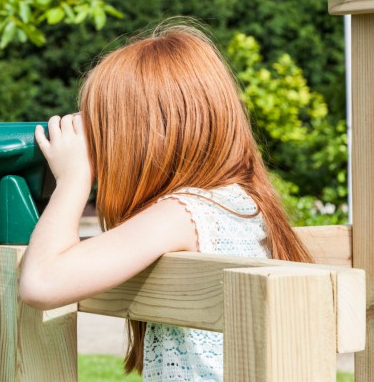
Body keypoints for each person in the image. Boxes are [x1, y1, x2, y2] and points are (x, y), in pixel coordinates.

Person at [19, 22, 314, 382]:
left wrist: (73, 179)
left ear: (143, 139)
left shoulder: (183, 213)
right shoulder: (240, 202)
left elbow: (41, 283)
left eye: (105, 134)